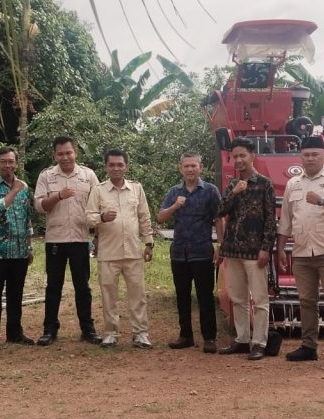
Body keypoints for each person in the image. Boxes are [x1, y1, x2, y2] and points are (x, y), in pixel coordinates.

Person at [276, 135, 324, 370]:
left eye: (315, 154)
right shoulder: (293, 184)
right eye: (306, 154)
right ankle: (309, 346)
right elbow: (286, 220)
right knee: (306, 301)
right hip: (301, 252)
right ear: (300, 157)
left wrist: (322, 201)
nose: (310, 158)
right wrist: (281, 248)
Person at [32, 135, 101, 345]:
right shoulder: (46, 176)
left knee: (83, 286)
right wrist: (58, 196)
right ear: (54, 155)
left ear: (76, 152)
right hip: (55, 239)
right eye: (60, 154)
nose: (65, 157)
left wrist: (97, 236)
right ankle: (49, 330)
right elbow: (39, 207)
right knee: (53, 286)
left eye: (68, 153)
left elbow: (99, 206)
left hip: (80, 239)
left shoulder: (88, 176)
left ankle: (88, 330)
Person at [86, 148, 154, 349]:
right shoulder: (98, 190)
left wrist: (149, 242)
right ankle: (110, 333)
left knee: (138, 294)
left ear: (126, 166)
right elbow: (88, 216)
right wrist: (101, 218)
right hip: (108, 252)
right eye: (112, 165)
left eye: (120, 164)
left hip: (133, 251)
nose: (116, 168)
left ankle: (140, 333)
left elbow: (144, 217)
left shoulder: (136, 189)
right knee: (109, 294)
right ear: (106, 167)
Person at [216, 137, 277, 361]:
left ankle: (259, 342)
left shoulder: (265, 183)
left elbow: (271, 219)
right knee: (238, 298)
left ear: (253, 156)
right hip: (233, 250)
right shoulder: (233, 184)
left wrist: (266, 248)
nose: (239, 160)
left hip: (255, 252)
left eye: (243, 155)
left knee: (260, 299)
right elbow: (220, 211)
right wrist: (235, 192)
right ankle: (242, 339)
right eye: (235, 156)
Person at [157, 151, 223, 353]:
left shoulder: (210, 191)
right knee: (182, 297)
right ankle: (185, 335)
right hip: (179, 253)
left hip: (202, 251)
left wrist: (221, 246)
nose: (190, 169)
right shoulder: (174, 192)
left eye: (193, 165)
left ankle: (209, 338)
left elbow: (219, 219)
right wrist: (175, 205)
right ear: (181, 169)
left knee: (205, 297)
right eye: (186, 166)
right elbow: (160, 218)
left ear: (200, 168)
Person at [0, 146, 34, 349]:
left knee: (16, 293)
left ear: (16, 163)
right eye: (3, 161)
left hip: (19, 251)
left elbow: (27, 217)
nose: (7, 165)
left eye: (11, 161)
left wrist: (29, 247)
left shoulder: (24, 186)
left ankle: (14, 332)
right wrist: (14, 191)